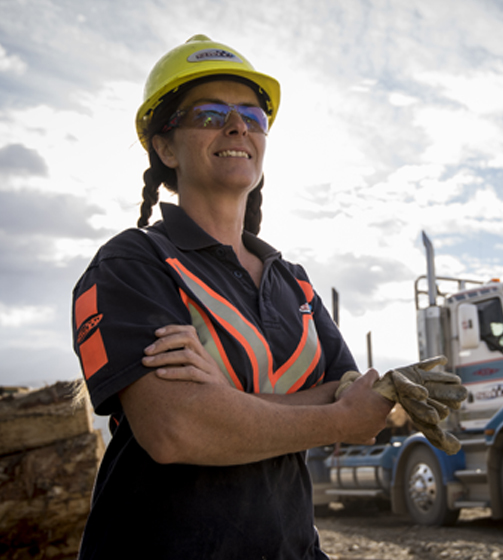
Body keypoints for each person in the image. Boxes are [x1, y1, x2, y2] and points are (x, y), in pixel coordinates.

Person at [71, 35, 393, 560]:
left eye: (252, 115)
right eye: (210, 113)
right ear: (166, 146)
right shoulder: (130, 265)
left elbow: (346, 390)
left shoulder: (295, 282)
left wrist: (222, 401)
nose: (238, 125)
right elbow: (176, 429)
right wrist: (332, 420)